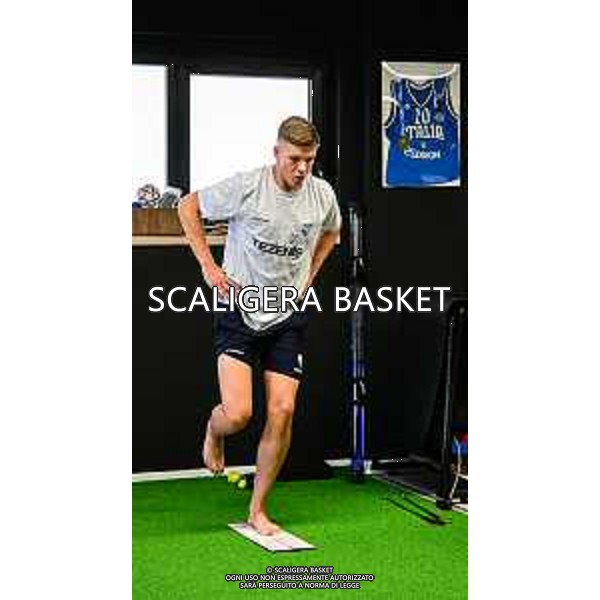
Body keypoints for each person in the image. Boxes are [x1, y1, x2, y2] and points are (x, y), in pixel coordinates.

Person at [178, 116, 342, 535]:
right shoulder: (248, 187)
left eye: (308, 160)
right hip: (240, 308)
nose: (301, 168)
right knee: (237, 415)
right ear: (276, 153)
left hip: (287, 313)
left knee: (282, 411)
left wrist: (310, 274)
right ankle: (214, 431)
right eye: (293, 159)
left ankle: (258, 509)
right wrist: (209, 266)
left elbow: (332, 233)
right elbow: (188, 206)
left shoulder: (322, 195)